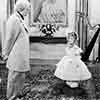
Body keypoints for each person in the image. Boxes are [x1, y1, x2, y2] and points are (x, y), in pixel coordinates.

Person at [54, 29, 96, 99]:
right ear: (68, 39)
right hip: (68, 61)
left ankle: (74, 82)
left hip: (75, 61)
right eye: (69, 38)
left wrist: (78, 53)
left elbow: (79, 52)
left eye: (72, 39)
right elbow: (68, 52)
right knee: (67, 71)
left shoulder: (76, 47)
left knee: (76, 71)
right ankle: (69, 81)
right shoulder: (68, 47)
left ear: (75, 40)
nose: (71, 40)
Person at [2, 0, 31, 99]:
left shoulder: (20, 19)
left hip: (21, 55)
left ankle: (17, 94)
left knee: (21, 76)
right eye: (28, 9)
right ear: (22, 9)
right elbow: (9, 38)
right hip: (16, 55)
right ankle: (10, 97)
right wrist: (5, 54)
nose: (29, 11)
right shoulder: (14, 19)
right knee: (14, 77)